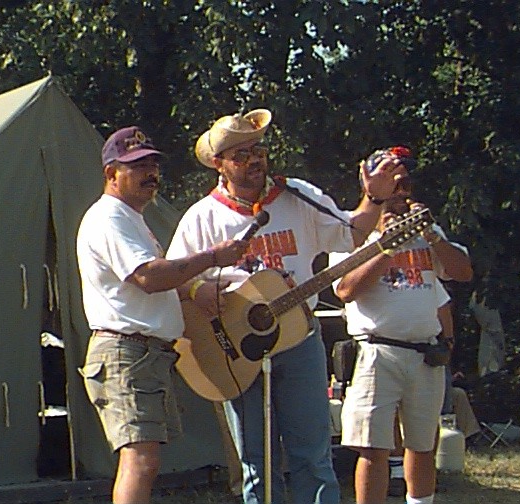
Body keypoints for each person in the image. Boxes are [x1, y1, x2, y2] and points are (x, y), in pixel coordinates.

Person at [166, 110, 400, 504]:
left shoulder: (298, 196)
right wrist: (196, 290)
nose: (254, 160)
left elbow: (350, 235)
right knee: (256, 461)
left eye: (258, 151)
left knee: (313, 454)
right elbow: (174, 276)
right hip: (236, 347)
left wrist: (374, 198)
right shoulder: (202, 217)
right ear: (219, 164)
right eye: (241, 155)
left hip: (298, 340)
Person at [76, 126, 249, 504]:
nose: (150, 174)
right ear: (111, 173)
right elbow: (149, 278)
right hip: (126, 352)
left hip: (144, 353)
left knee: (146, 459)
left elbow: (158, 281)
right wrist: (213, 257)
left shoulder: (131, 219)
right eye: (138, 166)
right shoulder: (109, 217)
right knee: (140, 460)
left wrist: (196, 290)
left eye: (153, 165)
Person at [330, 146, 473, 504]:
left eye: (406, 183)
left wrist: (433, 235)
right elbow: (345, 289)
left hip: (424, 352)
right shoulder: (353, 232)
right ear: (371, 184)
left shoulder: (427, 230)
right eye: (393, 182)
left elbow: (462, 272)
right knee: (373, 447)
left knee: (423, 445)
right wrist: (387, 247)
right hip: (377, 350)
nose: (401, 191)